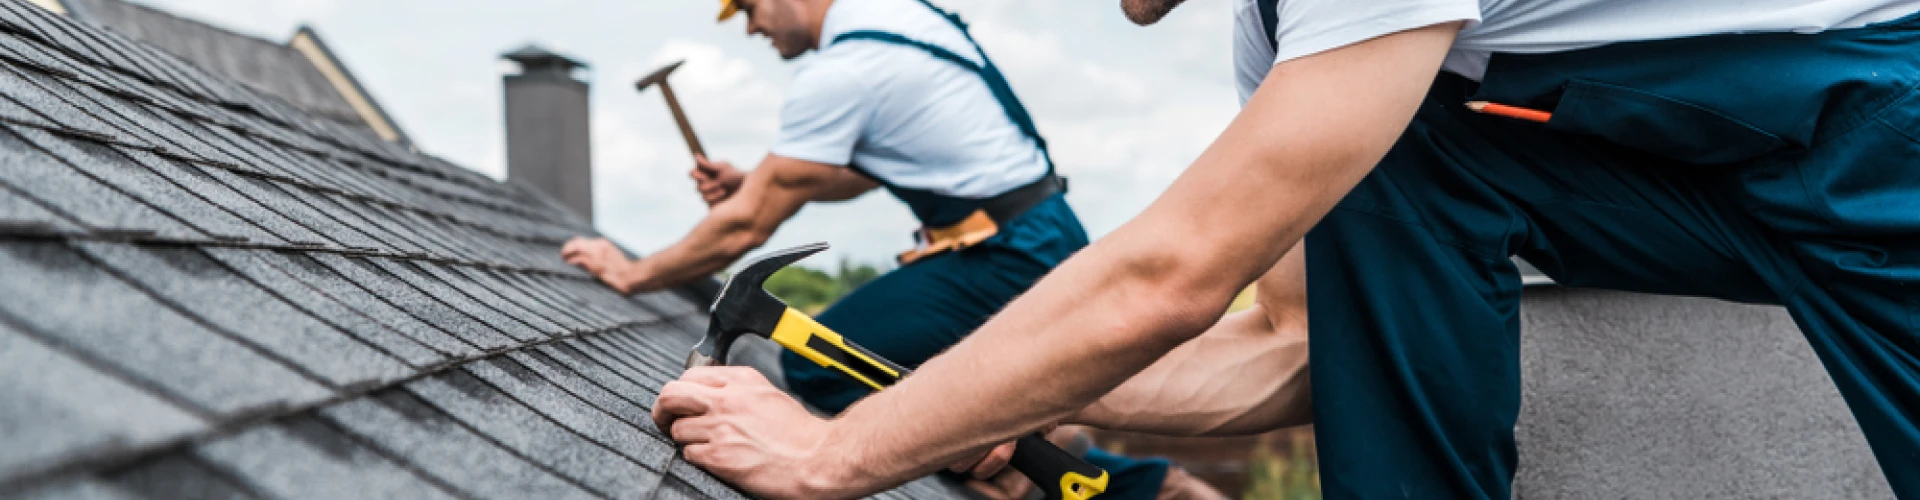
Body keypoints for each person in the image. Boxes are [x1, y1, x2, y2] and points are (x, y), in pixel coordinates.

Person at [649, 0, 1920, 497]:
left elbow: (1173, 272)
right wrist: (986, 403)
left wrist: (840, 448)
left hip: (1884, 137)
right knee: (1397, 160)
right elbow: (1298, 345)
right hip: (1714, 157)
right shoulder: (1293, 43)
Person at [562, 0, 1223, 497]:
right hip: (1029, 234)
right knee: (898, 366)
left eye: (751, 7)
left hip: (1008, 254)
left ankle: (1098, 483)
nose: (752, 27)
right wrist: (752, 184)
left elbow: (744, 229)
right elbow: (854, 174)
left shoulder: (845, 69)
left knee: (823, 369)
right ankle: (1044, 453)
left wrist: (632, 272)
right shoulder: (900, 18)